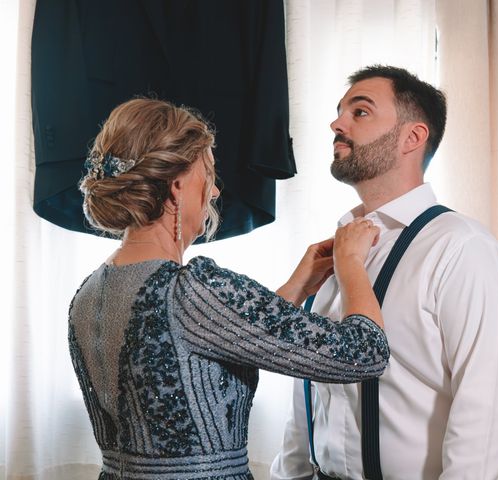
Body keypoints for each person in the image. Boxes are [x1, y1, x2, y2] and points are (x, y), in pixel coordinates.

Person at [68, 98, 391, 480]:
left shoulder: (87, 294)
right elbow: (365, 354)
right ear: (177, 186)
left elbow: (201, 350)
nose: (215, 193)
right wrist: (350, 263)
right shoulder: (193, 289)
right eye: (208, 174)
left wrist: (297, 285)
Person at [271, 66, 498, 479]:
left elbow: (485, 416)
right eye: (340, 112)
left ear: (413, 137)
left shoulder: (462, 249)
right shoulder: (334, 252)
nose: (336, 123)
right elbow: (312, 396)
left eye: (361, 112)